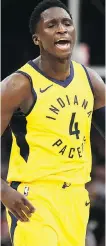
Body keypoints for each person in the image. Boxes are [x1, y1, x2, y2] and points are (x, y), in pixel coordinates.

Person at [1, 0, 105, 245]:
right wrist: (4, 191)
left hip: (77, 198)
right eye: (52, 25)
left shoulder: (91, 80)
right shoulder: (19, 85)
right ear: (37, 39)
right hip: (33, 199)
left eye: (67, 23)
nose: (62, 29)